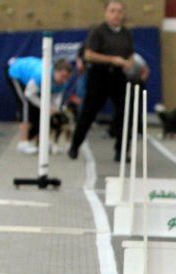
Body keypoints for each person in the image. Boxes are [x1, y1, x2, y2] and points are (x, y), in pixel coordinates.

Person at [68, 0, 134, 161]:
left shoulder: (126, 33)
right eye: (112, 11)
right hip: (99, 75)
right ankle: (75, 145)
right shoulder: (98, 31)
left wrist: (128, 63)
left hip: (119, 76)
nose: (116, 14)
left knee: (124, 113)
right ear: (106, 12)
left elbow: (130, 53)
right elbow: (89, 55)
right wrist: (112, 59)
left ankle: (121, 151)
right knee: (88, 112)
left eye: (119, 11)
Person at [7, 57, 72, 154]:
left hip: (31, 81)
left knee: (44, 111)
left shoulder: (63, 82)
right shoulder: (41, 75)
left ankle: (43, 142)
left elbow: (56, 97)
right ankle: (23, 143)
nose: (64, 80)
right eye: (62, 76)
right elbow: (28, 94)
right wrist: (47, 107)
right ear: (55, 71)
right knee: (25, 105)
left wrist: (54, 109)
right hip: (17, 73)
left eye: (67, 77)